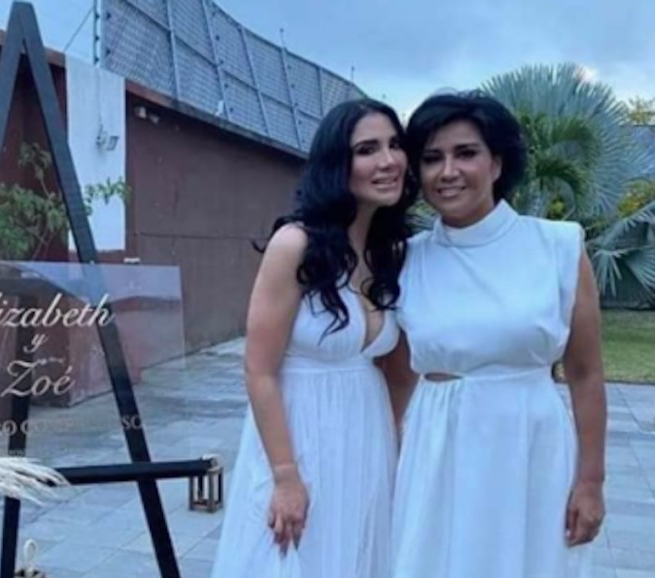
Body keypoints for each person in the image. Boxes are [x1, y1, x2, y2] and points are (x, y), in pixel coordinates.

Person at [387, 90, 607, 578]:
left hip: (529, 445)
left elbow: (586, 373)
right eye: (432, 158)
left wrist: (591, 481)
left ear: (497, 162)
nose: (448, 171)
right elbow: (396, 376)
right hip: (437, 448)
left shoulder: (557, 246)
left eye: (466, 153)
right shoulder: (408, 258)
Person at [209, 98, 417, 578]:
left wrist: (394, 436)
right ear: (336, 164)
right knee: (288, 556)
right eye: (367, 149)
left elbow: (398, 371)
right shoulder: (296, 244)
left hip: (367, 434)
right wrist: (285, 476)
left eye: (394, 145)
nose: (388, 160)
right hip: (298, 434)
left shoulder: (391, 253)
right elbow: (258, 369)